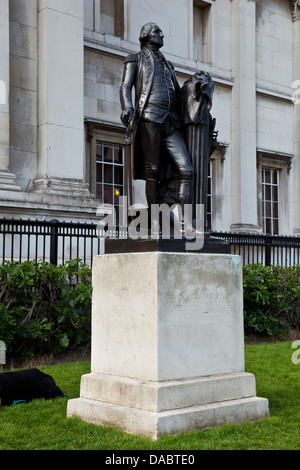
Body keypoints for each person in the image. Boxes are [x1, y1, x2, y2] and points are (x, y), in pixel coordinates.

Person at [119, 22, 194, 236]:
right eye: (157, 32)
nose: (162, 35)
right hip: (150, 118)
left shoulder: (168, 64)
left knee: (186, 169)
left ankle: (185, 224)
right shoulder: (135, 59)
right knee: (153, 171)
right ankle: (154, 223)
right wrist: (128, 108)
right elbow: (125, 86)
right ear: (145, 36)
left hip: (171, 122)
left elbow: (180, 94)